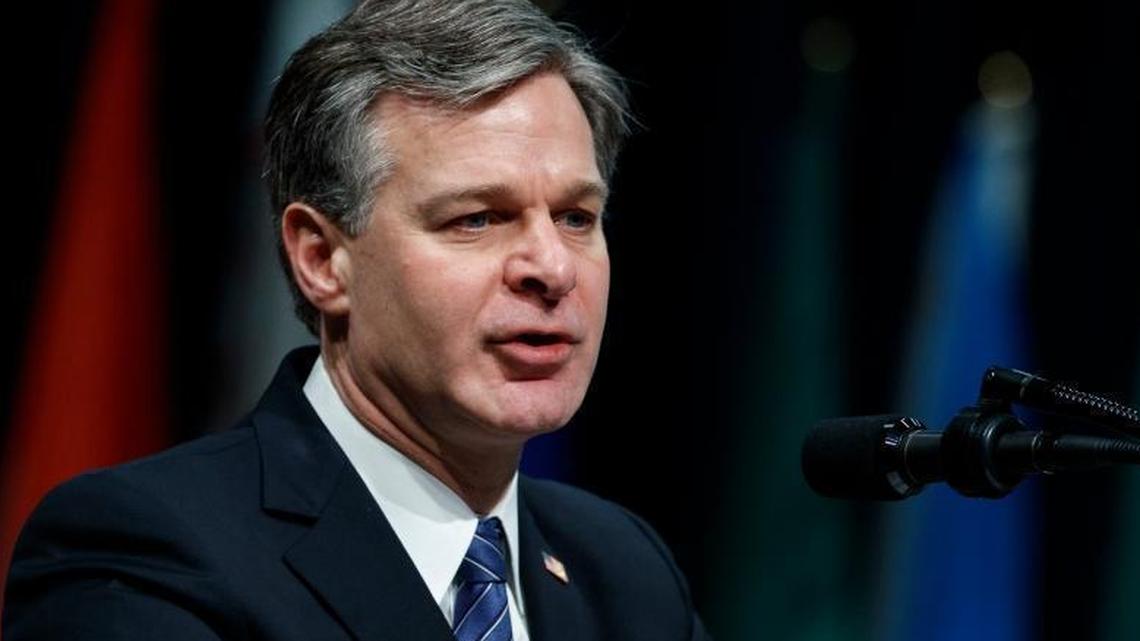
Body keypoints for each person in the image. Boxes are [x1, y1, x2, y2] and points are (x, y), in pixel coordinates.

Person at [2, 1, 711, 639]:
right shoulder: (147, 548)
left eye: (576, 217)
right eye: (478, 218)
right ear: (322, 259)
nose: (552, 268)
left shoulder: (625, 570)